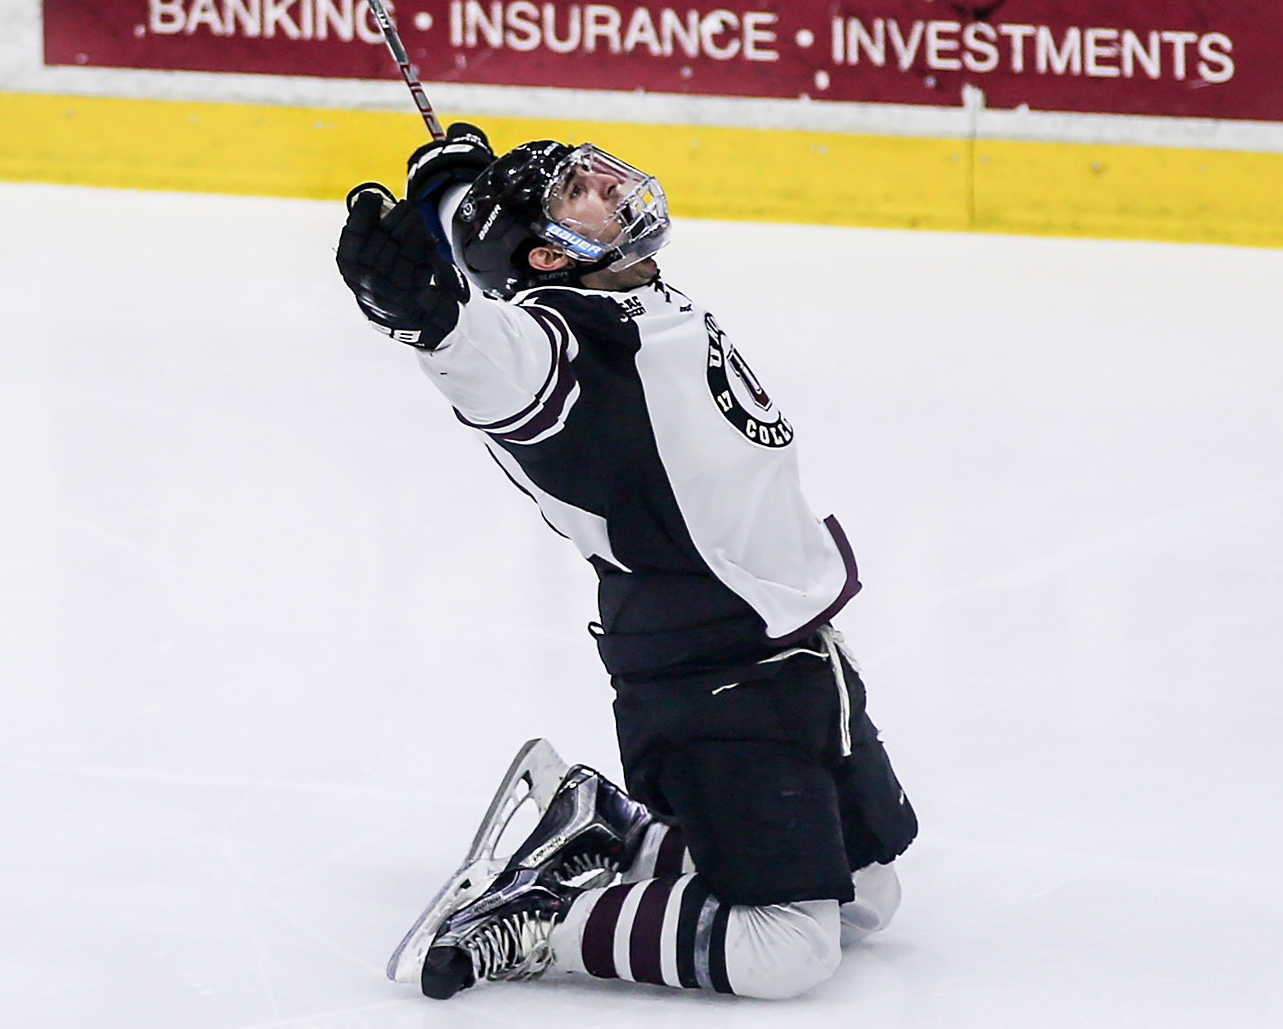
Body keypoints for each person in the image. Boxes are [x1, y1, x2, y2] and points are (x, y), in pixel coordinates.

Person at [334, 124, 918, 1002]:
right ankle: (537, 922)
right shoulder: (563, 348)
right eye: (581, 192)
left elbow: (505, 261)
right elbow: (494, 361)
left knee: (870, 896)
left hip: (794, 644)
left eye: (593, 176)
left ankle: (609, 829)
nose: (609, 190)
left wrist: (451, 196)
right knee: (788, 949)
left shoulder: (623, 289)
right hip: (711, 674)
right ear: (547, 253)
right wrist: (428, 319)